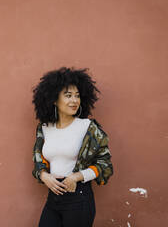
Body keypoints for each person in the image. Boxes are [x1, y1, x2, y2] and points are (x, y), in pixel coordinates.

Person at [31, 67, 113, 227]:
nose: (74, 101)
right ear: (54, 99)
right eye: (68, 96)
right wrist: (43, 176)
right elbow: (38, 160)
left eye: (77, 96)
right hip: (53, 199)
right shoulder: (45, 128)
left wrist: (76, 177)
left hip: (79, 198)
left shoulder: (88, 127)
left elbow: (105, 165)